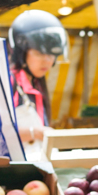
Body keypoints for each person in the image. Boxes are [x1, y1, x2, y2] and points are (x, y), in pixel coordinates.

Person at [8, 10, 67, 145]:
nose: (47, 60)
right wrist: (34, 132)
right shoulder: (7, 82)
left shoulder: (37, 83)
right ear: (21, 51)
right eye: (39, 52)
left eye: (52, 53)